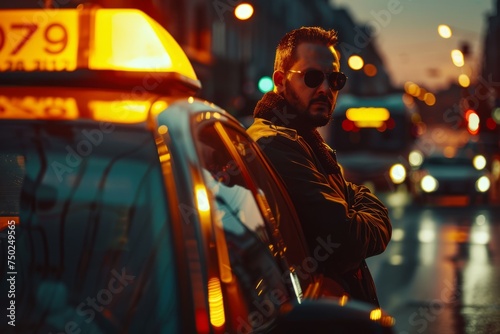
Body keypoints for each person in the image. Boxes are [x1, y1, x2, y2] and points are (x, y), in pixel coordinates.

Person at [246, 26, 392, 307]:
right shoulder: (274, 143)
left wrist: (354, 201)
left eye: (335, 79)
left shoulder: (307, 142)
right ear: (280, 80)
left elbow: (347, 202)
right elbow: (345, 240)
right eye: (312, 77)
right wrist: (367, 208)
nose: (325, 89)